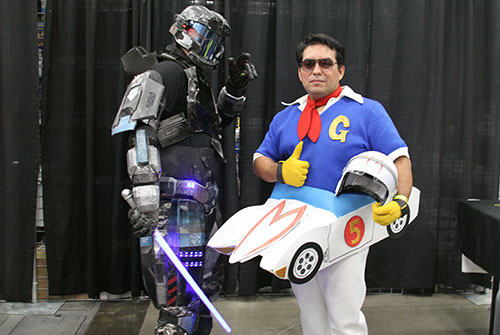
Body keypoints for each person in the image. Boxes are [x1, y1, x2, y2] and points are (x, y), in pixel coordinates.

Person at [253, 33, 412, 335]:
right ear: (300, 72)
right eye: (308, 64)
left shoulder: (367, 111)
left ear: (340, 70)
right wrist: (281, 171)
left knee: (344, 315)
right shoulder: (286, 117)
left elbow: (400, 159)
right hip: (295, 227)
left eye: (326, 63)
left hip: (346, 227)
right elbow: (259, 161)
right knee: (310, 313)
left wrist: (401, 201)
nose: (316, 70)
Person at [111, 5, 257, 335]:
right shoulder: (166, 73)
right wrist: (146, 199)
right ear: (185, 31)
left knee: (201, 297)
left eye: (216, 41)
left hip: (199, 204)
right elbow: (138, 129)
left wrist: (234, 89)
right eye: (207, 37)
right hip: (176, 210)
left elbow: (212, 127)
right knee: (177, 305)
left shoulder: (194, 79)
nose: (212, 48)